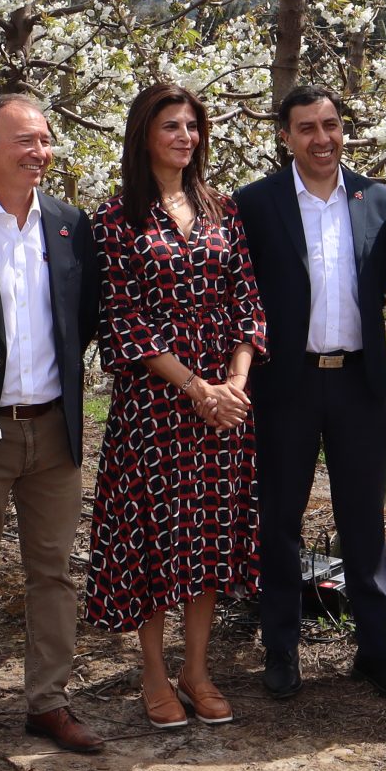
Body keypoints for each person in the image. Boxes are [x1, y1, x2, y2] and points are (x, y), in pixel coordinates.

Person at [84, 81, 268, 729]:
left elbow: (246, 299)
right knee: (157, 543)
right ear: (145, 134)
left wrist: (235, 384)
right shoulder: (116, 218)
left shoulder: (221, 209)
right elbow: (125, 323)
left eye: (193, 125)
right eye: (172, 126)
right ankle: (155, 673)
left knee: (209, 540)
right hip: (157, 409)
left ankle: (197, 667)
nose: (185, 136)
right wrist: (198, 389)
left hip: (225, 407)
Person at [233, 86, 386, 706]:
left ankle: (377, 651)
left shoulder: (376, 199)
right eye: (307, 127)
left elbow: (376, 290)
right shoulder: (256, 204)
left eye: (332, 125)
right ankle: (281, 649)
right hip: (286, 383)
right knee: (280, 521)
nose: (322, 138)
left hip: (358, 383)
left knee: (364, 521)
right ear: (285, 136)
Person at [0, 94, 104, 757]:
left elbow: (85, 313)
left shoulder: (68, 224)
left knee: (53, 570)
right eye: (24, 140)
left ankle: (49, 700)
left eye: (45, 140)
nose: (39, 152)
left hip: (53, 426)